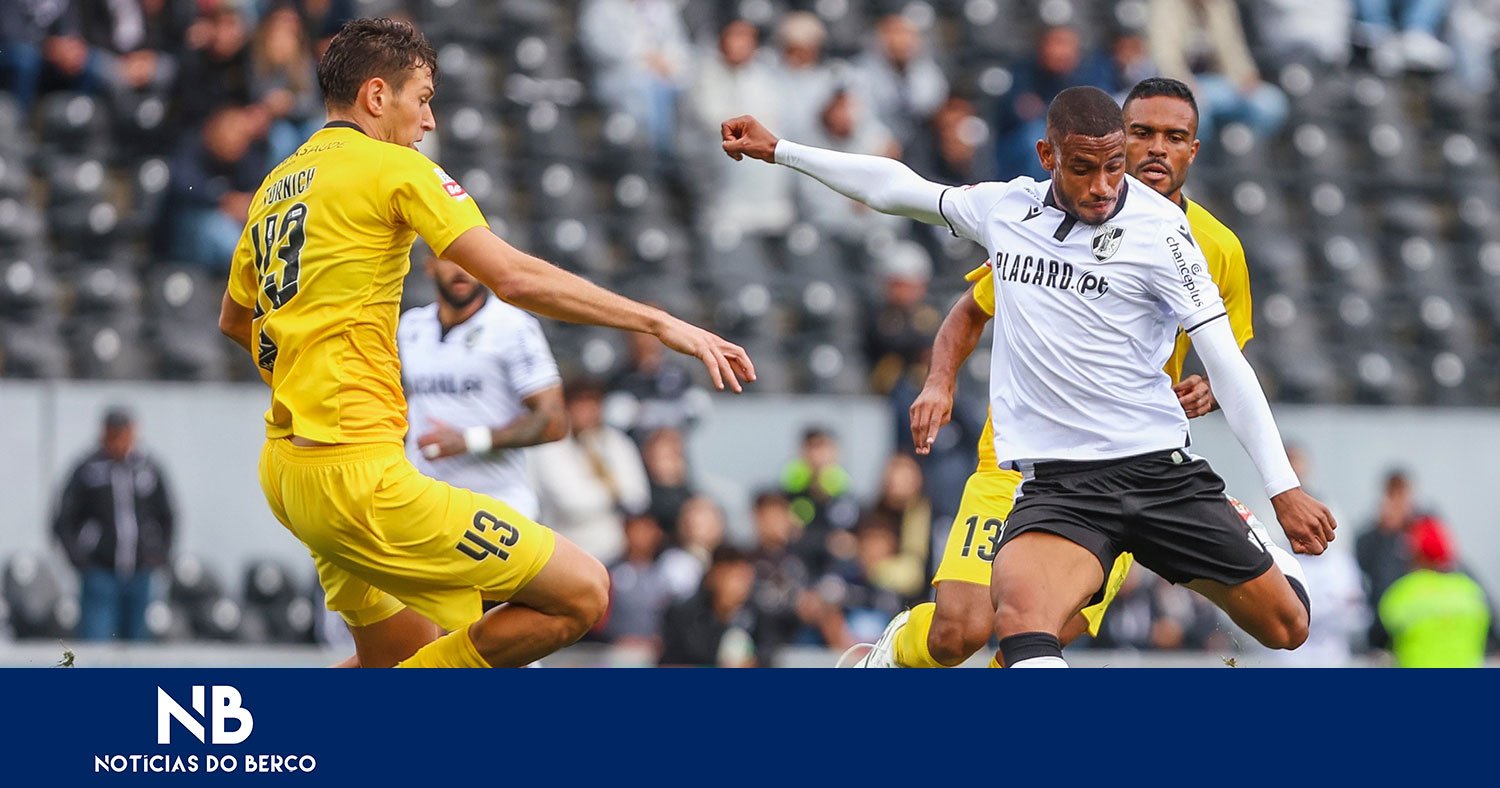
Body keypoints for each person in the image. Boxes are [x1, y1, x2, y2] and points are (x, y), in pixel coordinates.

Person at [721, 84, 1333, 669]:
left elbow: (1226, 363)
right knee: (1016, 624)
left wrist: (1282, 488)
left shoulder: (1167, 236)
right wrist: (782, 150)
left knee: (1289, 627)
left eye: (1114, 167)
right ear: (1048, 156)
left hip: (1157, 473)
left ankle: (1239, 522)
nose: (1103, 187)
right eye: (1084, 169)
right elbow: (898, 188)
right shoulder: (1008, 211)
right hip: (1057, 486)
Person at [218, 18, 753, 669]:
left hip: (287, 470)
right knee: (584, 593)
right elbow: (514, 278)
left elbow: (235, 321)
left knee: (401, 658)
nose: (429, 120)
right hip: (360, 476)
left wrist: (310, 379)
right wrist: (658, 321)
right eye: (423, 99)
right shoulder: (395, 167)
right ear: (377, 96)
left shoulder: (275, 186)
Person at [843, 77, 1265, 668]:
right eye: (1141, 132)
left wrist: (1211, 390)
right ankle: (897, 647)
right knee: (958, 632)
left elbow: (1230, 363)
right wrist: (939, 381)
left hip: (1127, 473)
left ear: (1193, 149)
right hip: (1019, 462)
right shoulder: (1044, 221)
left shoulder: (1217, 248)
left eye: (1174, 137)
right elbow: (970, 311)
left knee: (1040, 637)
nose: (1156, 149)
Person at [397, 249, 567, 522]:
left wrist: (471, 440)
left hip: (498, 505)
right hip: (426, 502)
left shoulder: (513, 327)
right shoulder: (410, 326)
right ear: (430, 266)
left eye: (470, 260)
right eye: (450, 259)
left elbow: (554, 421)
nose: (461, 270)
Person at [52, 407, 175, 641]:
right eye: (113, 434)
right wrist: (80, 560)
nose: (119, 442)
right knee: (97, 641)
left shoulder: (147, 469)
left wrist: (159, 554)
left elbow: (166, 515)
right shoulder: (88, 470)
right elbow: (64, 520)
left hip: (140, 572)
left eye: (124, 434)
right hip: (101, 572)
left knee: (138, 643)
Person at [532, 379, 652, 564]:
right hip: (566, 552)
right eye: (580, 404)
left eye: (593, 403)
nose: (586, 412)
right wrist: (613, 493)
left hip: (615, 552)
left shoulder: (615, 441)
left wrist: (604, 493)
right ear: (566, 407)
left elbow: (637, 497)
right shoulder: (550, 446)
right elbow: (572, 504)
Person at [1378, 516, 1491, 667]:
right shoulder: (1471, 590)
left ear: (1416, 554)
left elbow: (1378, 638)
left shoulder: (1403, 591)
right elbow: (1491, 636)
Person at [659, 545, 758, 667]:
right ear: (713, 576)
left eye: (743, 579)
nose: (738, 587)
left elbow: (768, 647)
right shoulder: (683, 615)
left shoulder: (754, 613)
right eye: (731, 577)